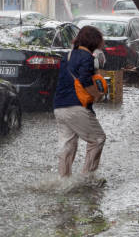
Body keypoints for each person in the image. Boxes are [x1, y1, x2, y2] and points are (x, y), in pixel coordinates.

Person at [53, 25, 107, 177]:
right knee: (97, 139)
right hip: (76, 107)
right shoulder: (87, 58)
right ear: (94, 41)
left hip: (59, 107)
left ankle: (64, 180)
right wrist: (97, 95)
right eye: (101, 39)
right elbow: (85, 81)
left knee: (68, 145)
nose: (102, 43)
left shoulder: (68, 56)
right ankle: (87, 178)